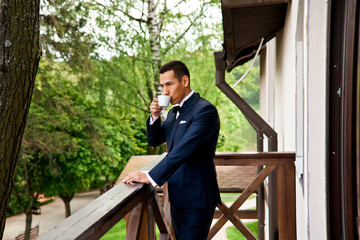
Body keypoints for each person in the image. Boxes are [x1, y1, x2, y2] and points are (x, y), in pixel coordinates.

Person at [122, 60, 221, 240]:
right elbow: (155, 140)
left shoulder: (205, 111)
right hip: (176, 197)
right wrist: (154, 116)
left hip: (198, 198)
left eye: (169, 84)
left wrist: (150, 176)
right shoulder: (174, 112)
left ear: (184, 81)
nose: (165, 91)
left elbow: (183, 150)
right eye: (162, 86)